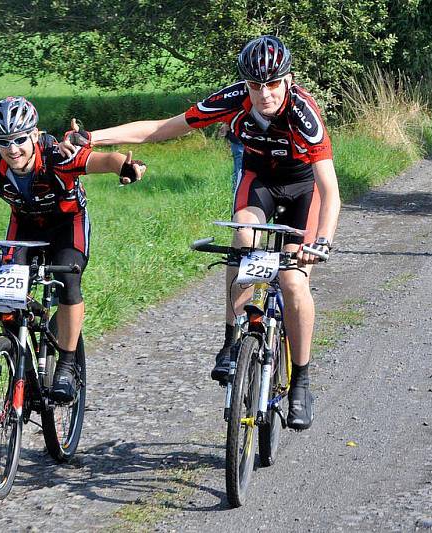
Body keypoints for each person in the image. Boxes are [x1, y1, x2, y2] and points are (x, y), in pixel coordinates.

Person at [59, 35, 341, 430]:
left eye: (273, 84)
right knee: (243, 238)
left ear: (288, 80)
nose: (264, 94)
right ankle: (231, 340)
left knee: (293, 283)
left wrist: (321, 242)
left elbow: (330, 191)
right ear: (246, 83)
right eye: (256, 85)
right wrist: (93, 138)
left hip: (302, 189)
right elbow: (160, 129)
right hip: (259, 181)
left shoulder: (304, 114)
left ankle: (301, 383)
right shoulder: (233, 100)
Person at [0, 96, 146, 403]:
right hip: (25, 229)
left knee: (69, 281)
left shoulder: (58, 156)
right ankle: (20, 360)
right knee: (6, 300)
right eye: (4, 141)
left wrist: (125, 167)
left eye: (20, 139)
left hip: (67, 225)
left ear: (35, 134)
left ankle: (68, 364)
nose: (13, 149)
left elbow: (104, 160)